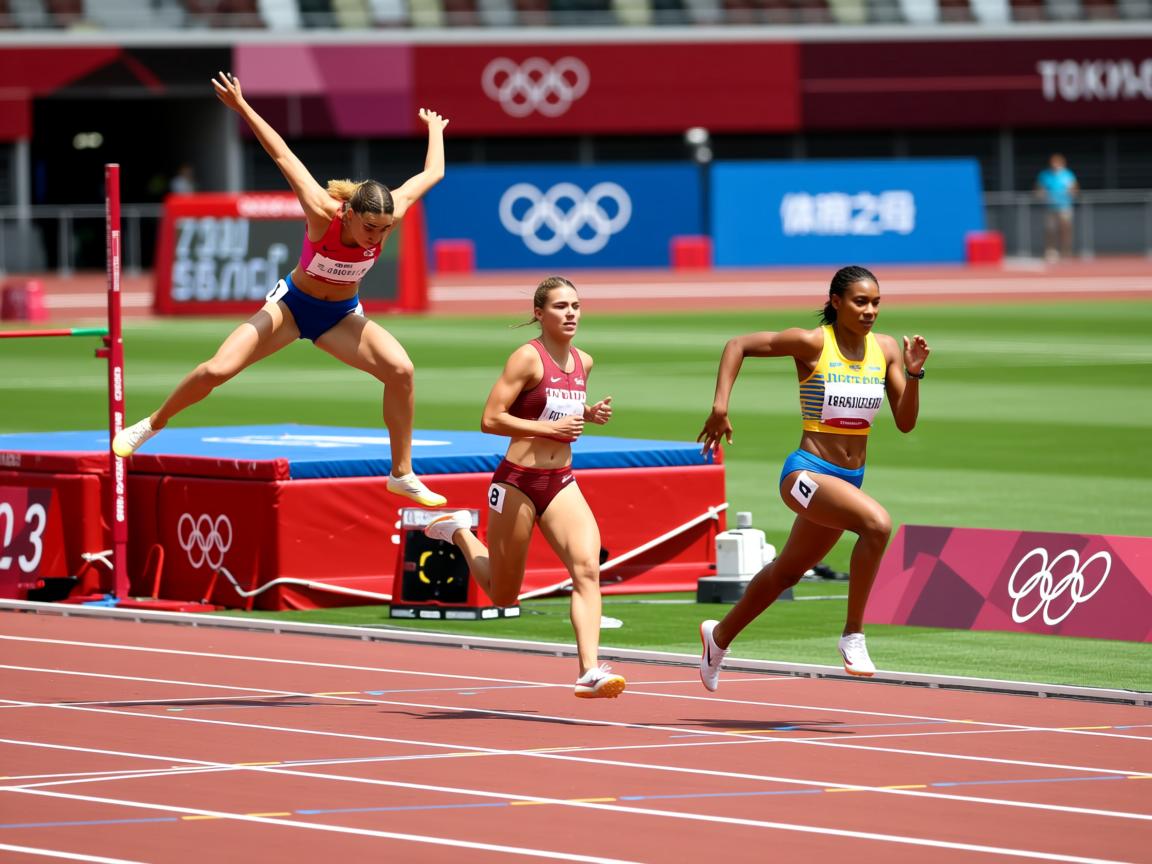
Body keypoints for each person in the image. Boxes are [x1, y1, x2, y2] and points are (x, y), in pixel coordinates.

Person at [113, 71, 449, 507]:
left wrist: (435, 131)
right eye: (370, 229)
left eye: (385, 231)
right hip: (290, 308)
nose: (377, 239)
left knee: (401, 370)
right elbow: (283, 154)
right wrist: (242, 107)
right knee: (217, 370)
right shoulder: (321, 212)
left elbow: (433, 172)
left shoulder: (390, 212)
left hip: (341, 316)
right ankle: (151, 424)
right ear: (348, 214)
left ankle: (402, 473)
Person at [696, 265, 930, 688]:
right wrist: (720, 406)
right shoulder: (811, 343)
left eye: (876, 302)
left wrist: (914, 375)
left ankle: (719, 637)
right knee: (877, 525)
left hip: (847, 480)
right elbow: (738, 345)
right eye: (860, 301)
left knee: (787, 572)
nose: (870, 310)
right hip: (806, 474)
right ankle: (853, 634)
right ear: (836, 302)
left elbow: (906, 422)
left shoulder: (886, 349)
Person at [422, 276, 625, 699]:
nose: (570, 314)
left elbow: (558, 404)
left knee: (587, 568)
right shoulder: (526, 359)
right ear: (539, 314)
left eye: (575, 306)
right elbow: (490, 418)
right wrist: (548, 427)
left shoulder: (584, 361)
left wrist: (589, 412)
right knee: (503, 593)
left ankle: (589, 670)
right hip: (517, 482)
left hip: (561, 481)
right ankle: (459, 530)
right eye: (560, 307)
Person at [1035, 153, 1079, 262]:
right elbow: (1039, 189)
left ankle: (1066, 251)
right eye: (1053, 162)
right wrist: (1041, 194)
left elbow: (1075, 189)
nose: (1055, 165)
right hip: (1050, 207)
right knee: (1050, 230)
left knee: (1065, 230)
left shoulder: (1068, 175)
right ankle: (1051, 251)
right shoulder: (1045, 175)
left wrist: (1071, 192)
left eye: (1057, 163)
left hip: (1064, 207)